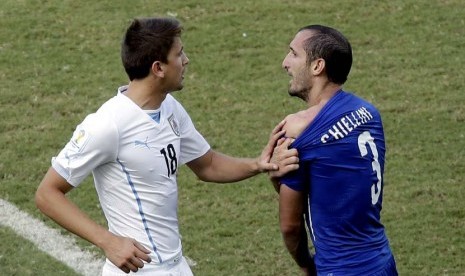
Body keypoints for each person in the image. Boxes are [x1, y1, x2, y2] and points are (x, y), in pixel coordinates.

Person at [35, 17, 296, 276]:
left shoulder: (169, 107)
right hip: (137, 270)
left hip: (176, 265)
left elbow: (208, 165)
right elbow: (47, 194)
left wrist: (258, 164)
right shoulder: (107, 125)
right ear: (158, 68)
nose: (186, 61)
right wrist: (108, 241)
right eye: (179, 54)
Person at [269, 25, 398, 275]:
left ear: (318, 66)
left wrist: (307, 265)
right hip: (382, 262)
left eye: (293, 54)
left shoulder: (298, 131)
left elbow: (290, 226)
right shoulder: (369, 113)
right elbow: (333, 186)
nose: (285, 63)